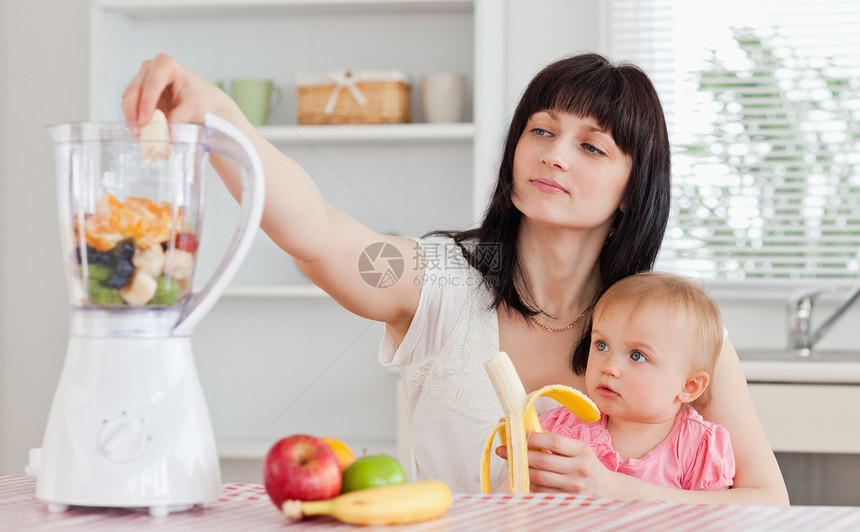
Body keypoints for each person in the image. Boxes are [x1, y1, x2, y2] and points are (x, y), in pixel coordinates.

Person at [123, 52, 788, 503]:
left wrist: (618, 491)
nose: (554, 155)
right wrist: (221, 121)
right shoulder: (437, 281)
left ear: (632, 188)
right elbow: (319, 232)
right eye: (541, 130)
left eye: (590, 145)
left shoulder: (679, 336)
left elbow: (767, 505)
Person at [538, 271, 735, 491]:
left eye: (637, 356)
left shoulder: (698, 446)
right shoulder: (565, 428)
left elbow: (716, 519)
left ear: (689, 386)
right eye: (601, 345)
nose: (609, 367)